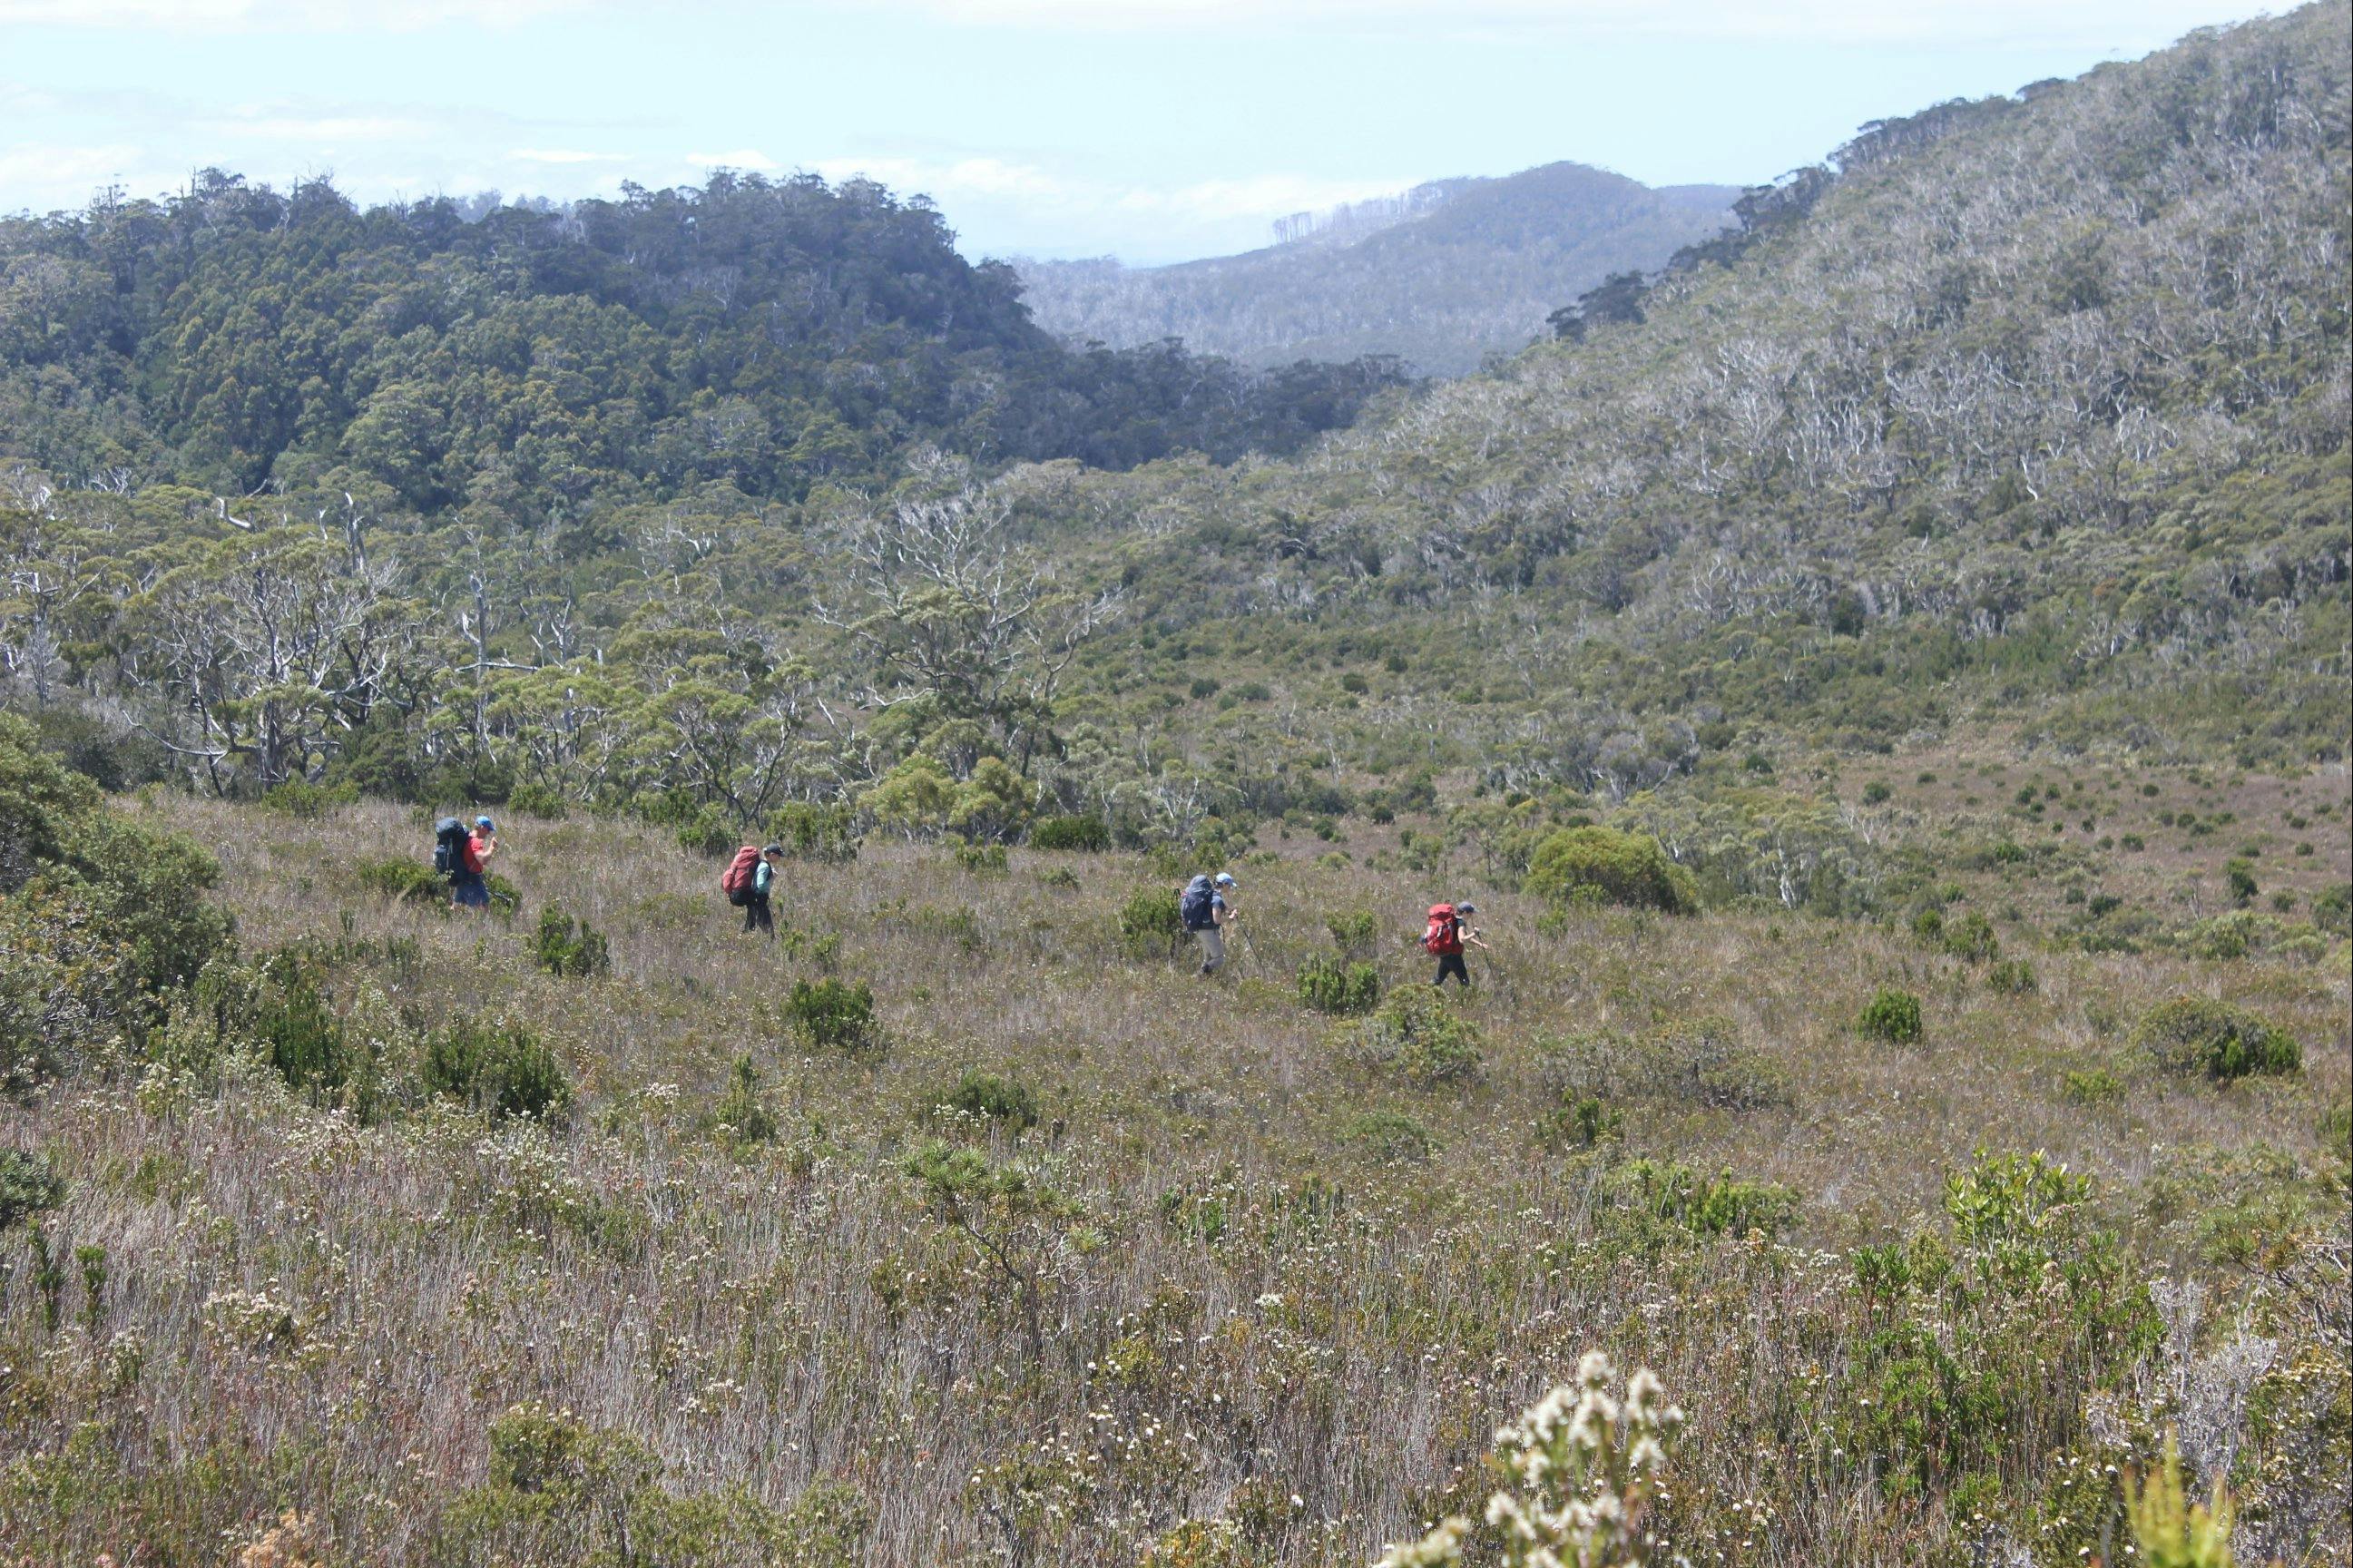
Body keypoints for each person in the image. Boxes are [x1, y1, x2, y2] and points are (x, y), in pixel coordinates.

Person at [1182, 871, 1239, 976]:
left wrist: (1230, 910)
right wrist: (1230, 918)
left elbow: (1217, 908)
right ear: (1225, 884)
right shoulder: (1217, 899)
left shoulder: (1211, 895)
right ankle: (1197, 977)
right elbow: (1216, 919)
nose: (1230, 888)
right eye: (1229, 885)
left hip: (1201, 930)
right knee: (1219, 958)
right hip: (1209, 932)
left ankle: (1202, 982)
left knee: (1208, 958)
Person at [1425, 899, 1489, 987]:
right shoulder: (1460, 922)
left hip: (1446, 955)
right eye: (1470, 914)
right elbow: (1462, 939)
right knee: (1465, 982)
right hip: (1454, 957)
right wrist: (1474, 933)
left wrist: (1479, 944)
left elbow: (1463, 937)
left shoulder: (1452, 919)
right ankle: (1467, 999)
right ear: (1465, 912)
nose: (1471, 916)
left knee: (1438, 980)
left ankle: (1422, 989)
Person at [452, 815, 497, 911]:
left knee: (455, 910)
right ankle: (481, 927)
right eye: (488, 829)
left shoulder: (467, 837)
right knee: (484, 909)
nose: (489, 833)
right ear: (482, 828)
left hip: (462, 879)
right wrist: (492, 848)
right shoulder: (476, 842)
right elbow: (483, 860)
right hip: (473, 881)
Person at [744, 845, 784, 937]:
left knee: (750, 927)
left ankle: (744, 943)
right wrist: (772, 878)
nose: (779, 859)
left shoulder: (763, 865)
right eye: (779, 856)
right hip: (759, 901)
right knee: (769, 931)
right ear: (772, 855)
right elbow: (760, 885)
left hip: (755, 901)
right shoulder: (765, 867)